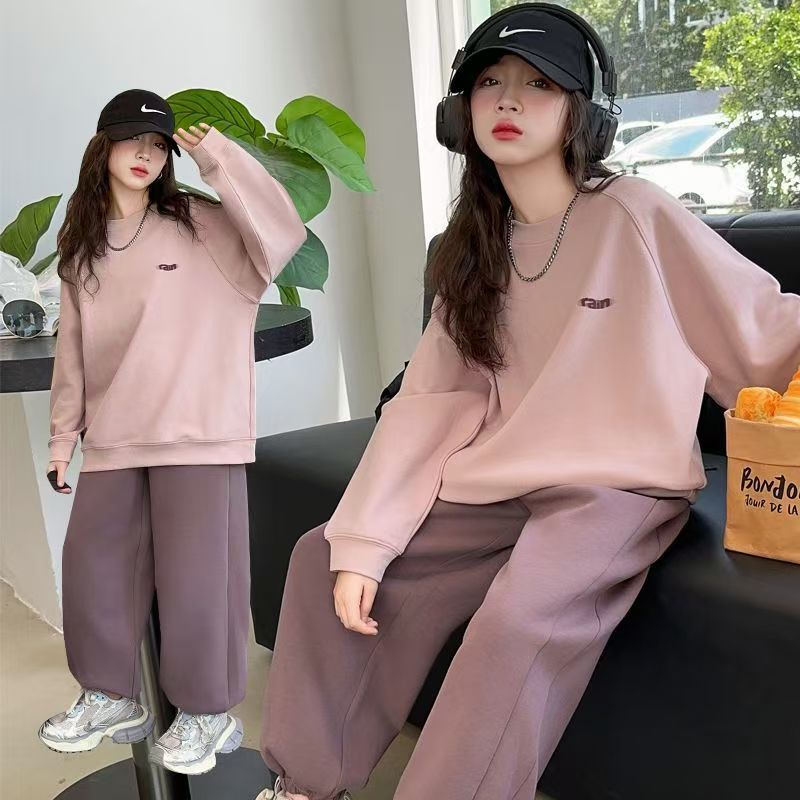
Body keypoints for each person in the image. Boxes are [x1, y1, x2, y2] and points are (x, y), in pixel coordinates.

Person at [254, 4, 800, 800]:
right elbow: (432, 399)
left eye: (539, 84)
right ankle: (304, 783)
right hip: (503, 475)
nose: (508, 100)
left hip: (618, 487)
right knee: (322, 559)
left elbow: (762, 332)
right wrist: (366, 541)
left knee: (514, 625)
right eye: (490, 83)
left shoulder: (637, 213)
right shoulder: (472, 247)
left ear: (584, 113)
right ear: (461, 111)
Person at [38, 88, 306, 776]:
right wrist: (63, 437)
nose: (146, 154)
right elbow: (73, 350)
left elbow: (283, 234)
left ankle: (208, 712)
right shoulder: (81, 246)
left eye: (158, 145)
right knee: (93, 564)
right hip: (116, 433)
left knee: (199, 577)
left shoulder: (200, 225)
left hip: (198, 431)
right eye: (133, 140)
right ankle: (108, 695)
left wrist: (218, 156)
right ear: (102, 148)